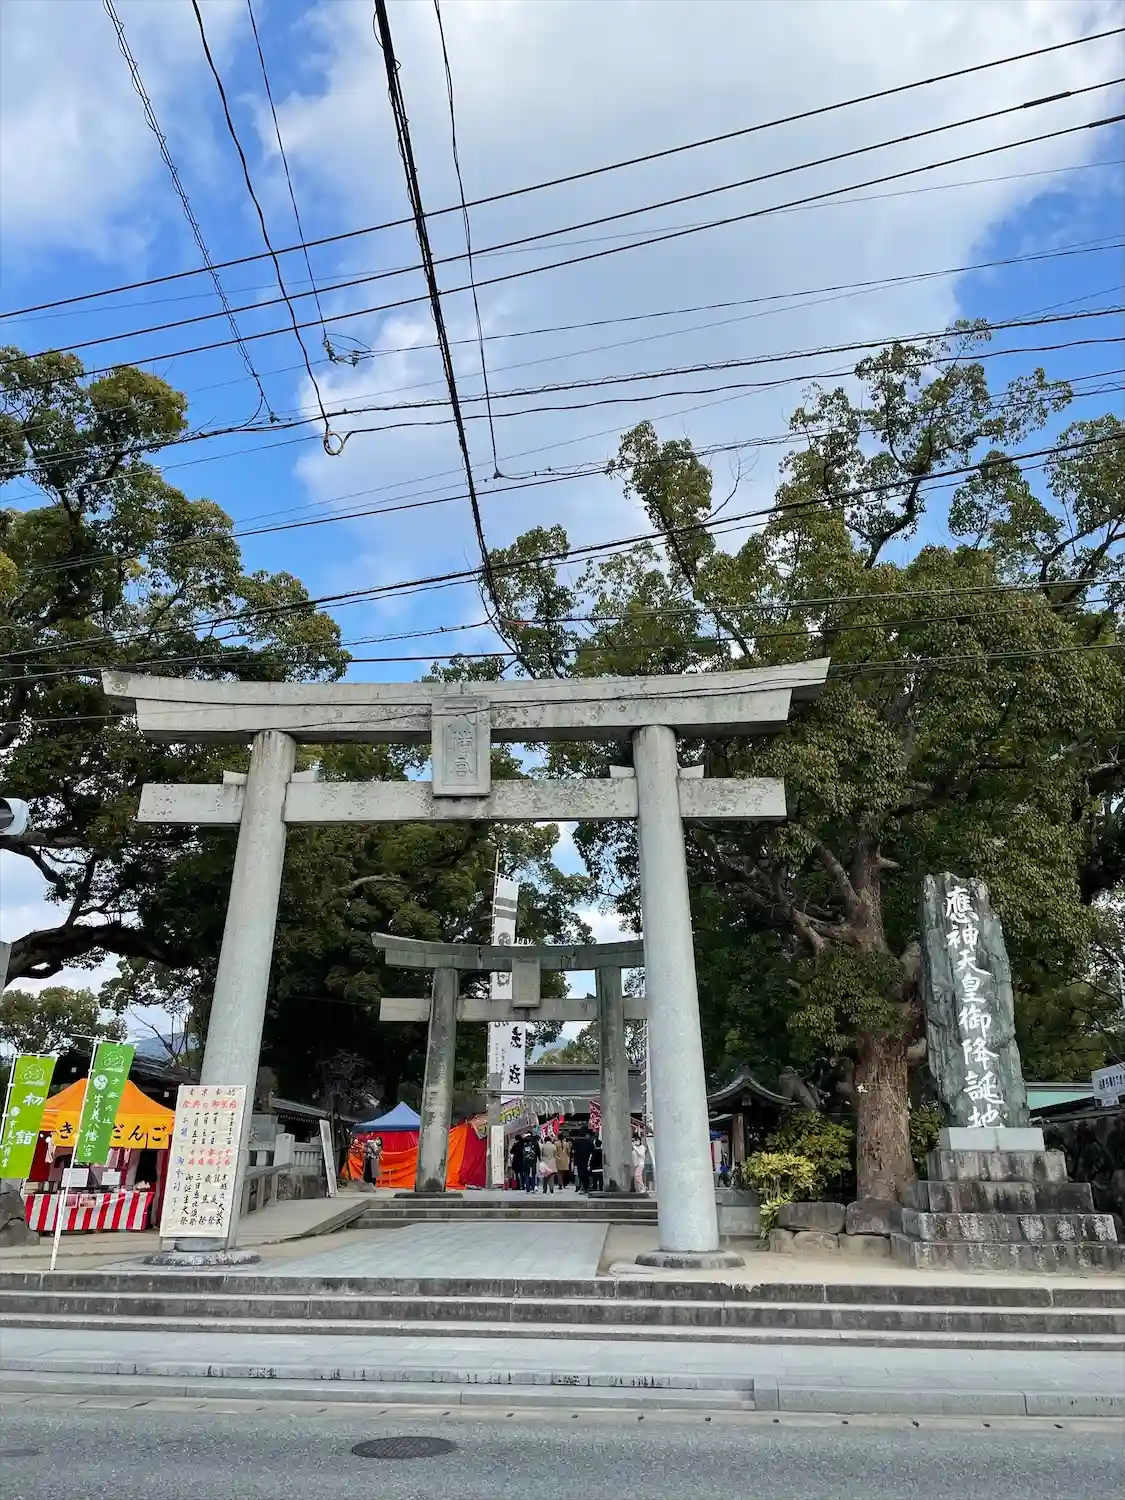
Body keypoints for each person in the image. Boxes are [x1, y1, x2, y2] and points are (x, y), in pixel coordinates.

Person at [572, 1126, 593, 1194]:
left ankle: (582, 1187)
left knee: (580, 1174)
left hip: (578, 1160)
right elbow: (592, 1150)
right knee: (586, 1173)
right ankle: (586, 1187)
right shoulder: (588, 1142)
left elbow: (573, 1150)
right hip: (586, 1159)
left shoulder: (576, 1141)